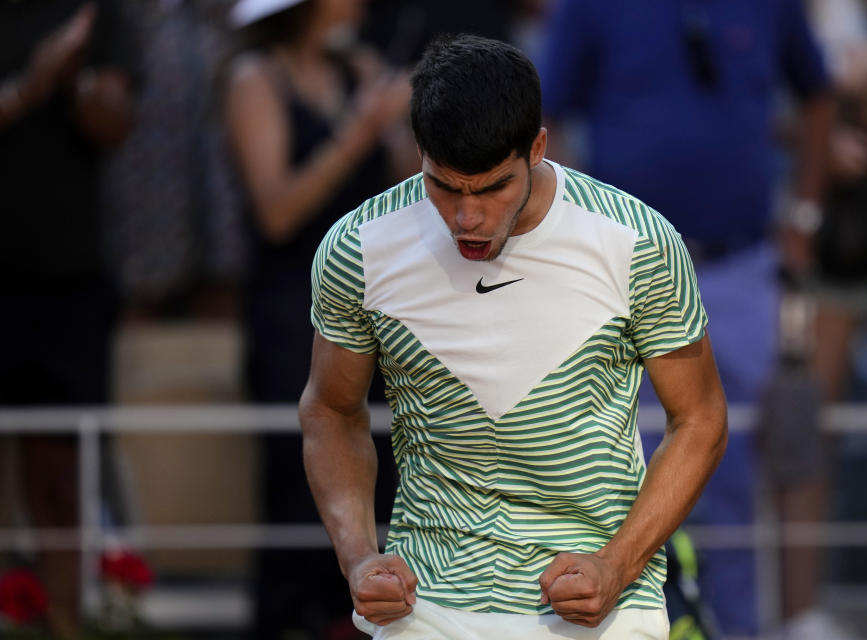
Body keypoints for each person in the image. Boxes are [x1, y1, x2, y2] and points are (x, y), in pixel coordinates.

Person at [300, 35, 728, 639]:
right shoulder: (358, 248)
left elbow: (702, 419)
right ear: (418, 152)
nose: (467, 216)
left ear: (538, 147)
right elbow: (330, 409)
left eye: (493, 186)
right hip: (426, 604)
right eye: (444, 187)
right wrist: (360, 558)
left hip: (600, 607)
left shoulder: (636, 241)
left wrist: (616, 566)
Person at [536, 1, 833, 635]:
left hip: (738, 269)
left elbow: (819, 94)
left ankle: (740, 628)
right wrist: (576, 239)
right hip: (623, 279)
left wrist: (804, 221)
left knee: (733, 482)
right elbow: (544, 119)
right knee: (619, 488)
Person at [222, 0, 414, 636]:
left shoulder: (360, 69)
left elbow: (407, 183)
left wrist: (406, 124)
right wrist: (357, 130)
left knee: (383, 487)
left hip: (378, 319)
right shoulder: (256, 78)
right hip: (290, 323)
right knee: (296, 492)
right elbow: (276, 211)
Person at [0, 1, 134, 636]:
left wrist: (81, 79)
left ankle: (62, 621)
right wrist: (34, 83)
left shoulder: (99, 14)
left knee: (61, 470)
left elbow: (116, 125)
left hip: (67, 275)